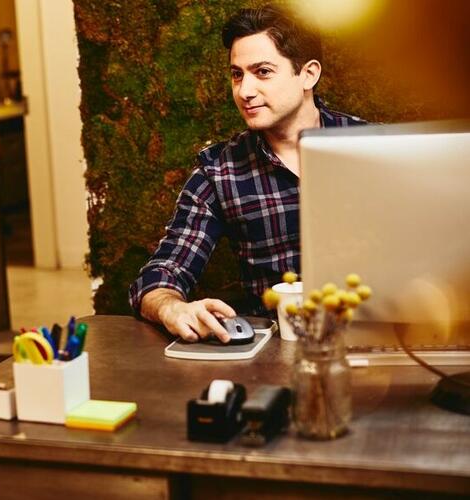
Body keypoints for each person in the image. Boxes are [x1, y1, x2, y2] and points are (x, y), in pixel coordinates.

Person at [129, 3, 365, 343]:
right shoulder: (218, 171)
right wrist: (172, 308)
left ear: (309, 74)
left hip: (377, 342)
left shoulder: (371, 148)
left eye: (263, 72)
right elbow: (159, 275)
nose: (244, 91)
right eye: (237, 74)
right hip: (276, 354)